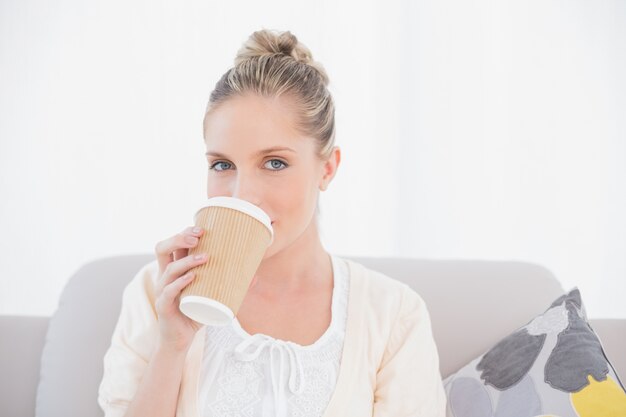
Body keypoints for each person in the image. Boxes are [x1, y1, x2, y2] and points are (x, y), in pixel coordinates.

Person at [97, 28, 447, 417]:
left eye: (274, 163)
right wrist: (173, 345)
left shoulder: (393, 313)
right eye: (222, 165)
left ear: (327, 168)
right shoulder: (155, 292)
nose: (241, 193)